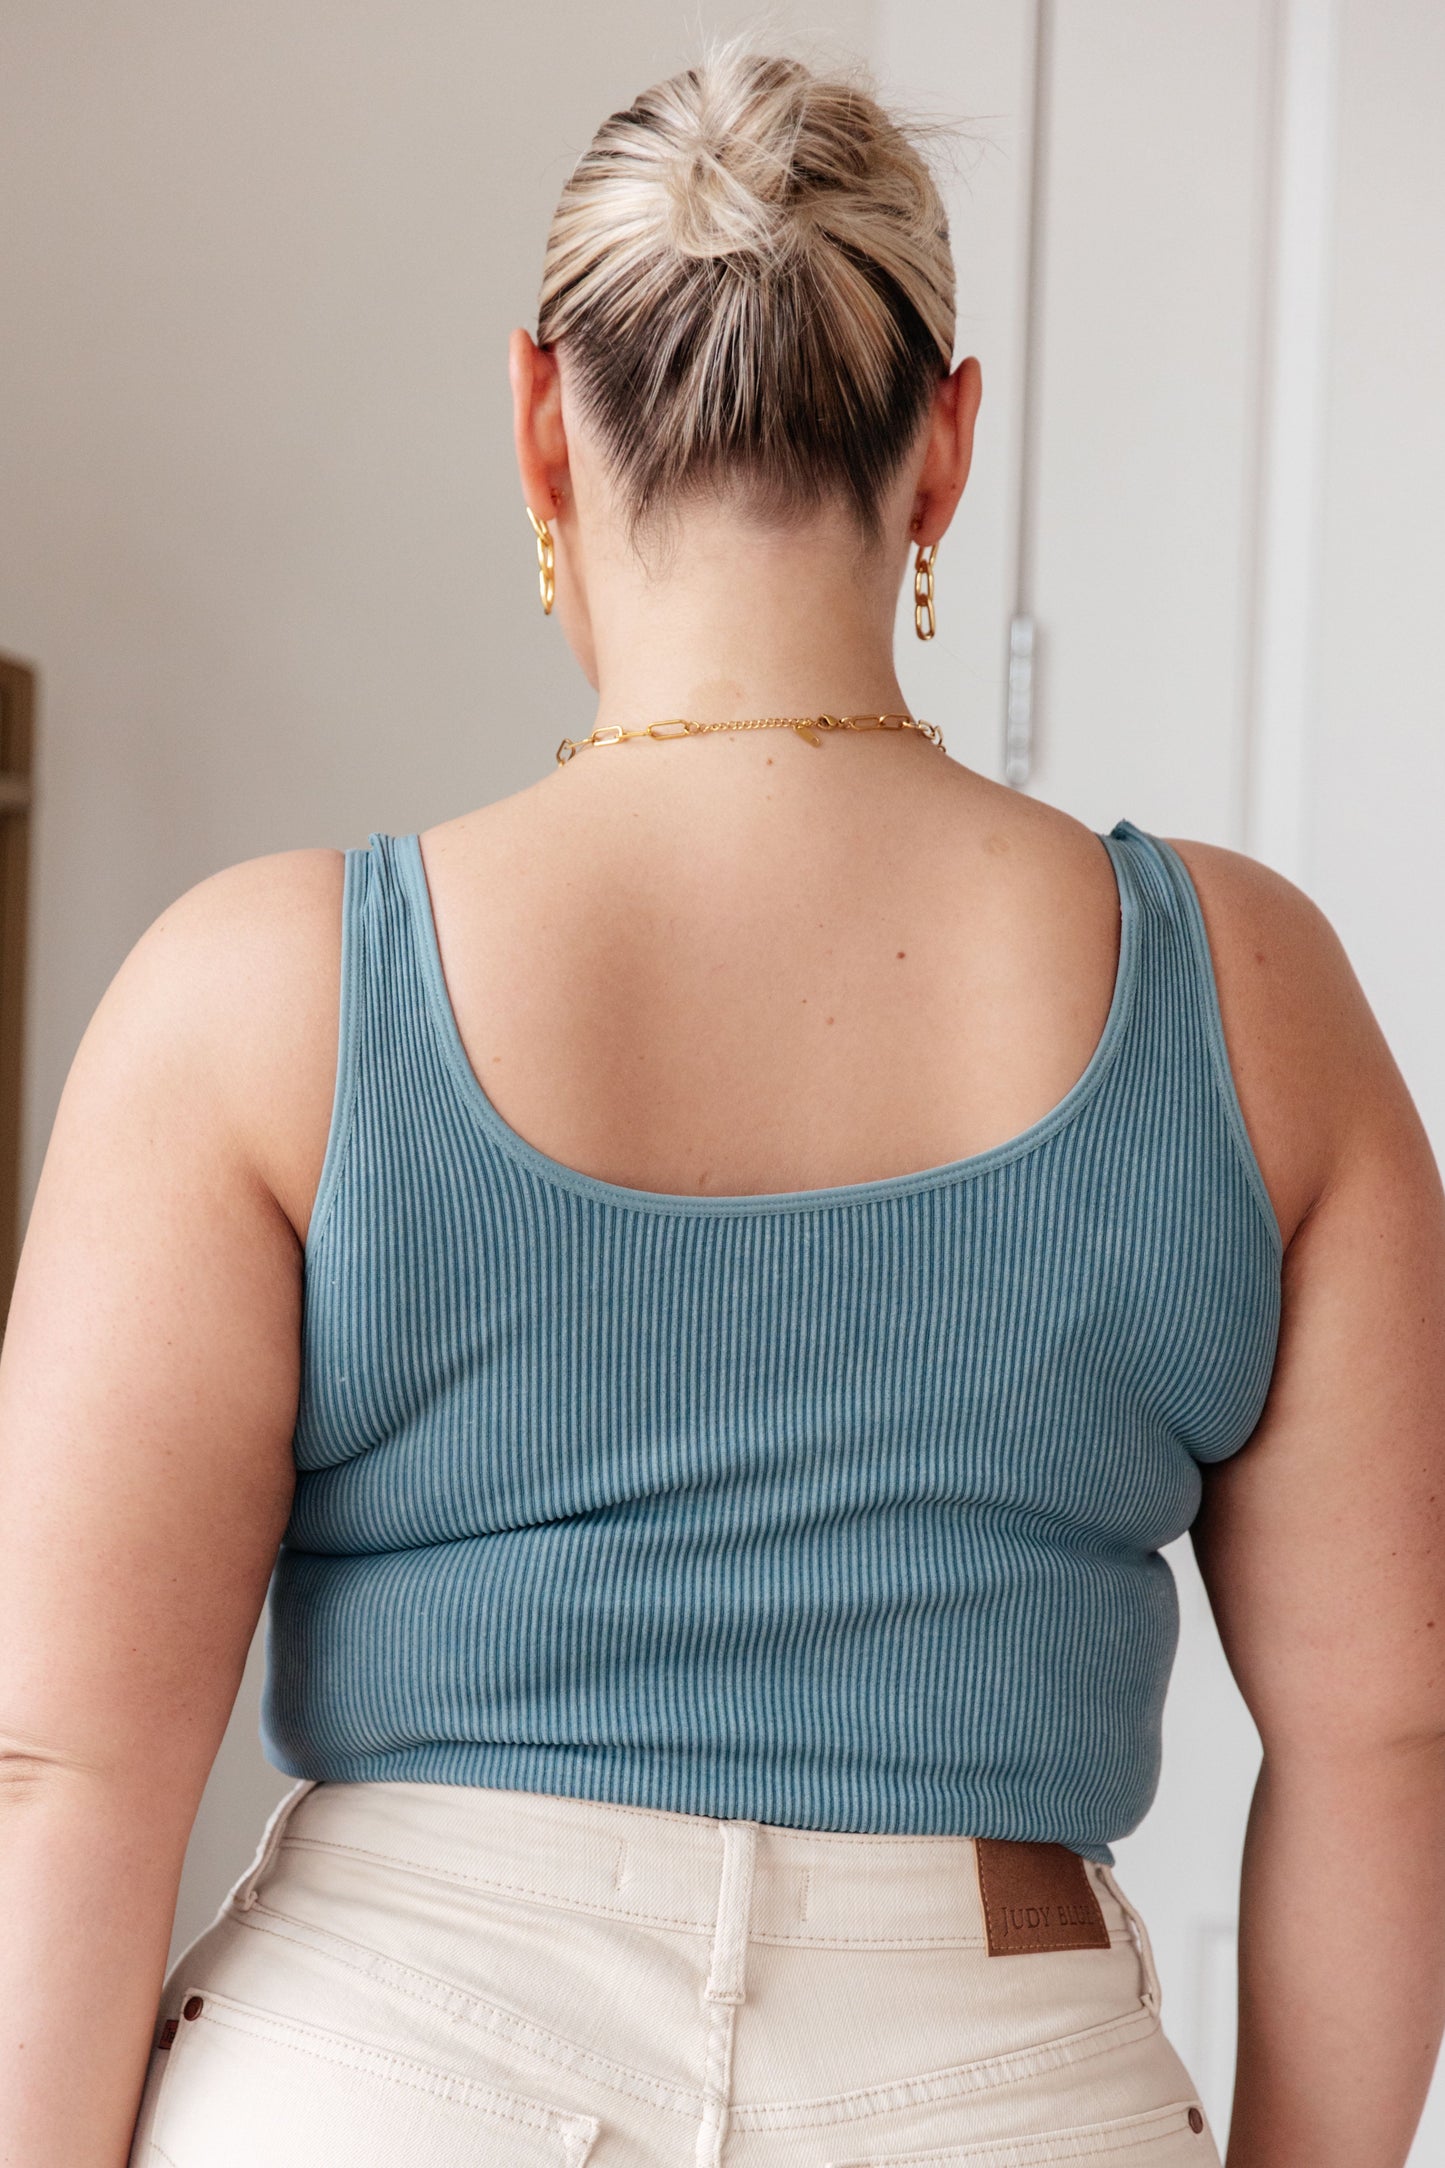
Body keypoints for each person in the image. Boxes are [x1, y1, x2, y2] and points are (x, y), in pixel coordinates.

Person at [2, 39, 1443, 2168]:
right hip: (1005, 2076)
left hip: (390, 2064)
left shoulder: (261, 993)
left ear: (539, 422)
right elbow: (1393, 1733)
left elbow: (65, 1769)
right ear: (945, 446)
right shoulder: (1252, 996)